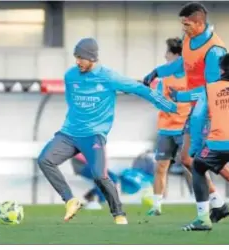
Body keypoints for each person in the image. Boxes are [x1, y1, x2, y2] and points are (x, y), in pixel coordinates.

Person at [37, 37, 177, 225]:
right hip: (69, 133)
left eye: (81, 58)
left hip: (94, 135)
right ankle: (70, 200)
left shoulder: (109, 77)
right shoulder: (70, 76)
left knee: (100, 176)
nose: (77, 61)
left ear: (92, 58)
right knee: (45, 160)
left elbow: (139, 89)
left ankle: (118, 214)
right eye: (75, 57)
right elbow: (72, 103)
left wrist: (168, 105)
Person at [143, 1, 229, 223]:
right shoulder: (188, 44)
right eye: (182, 25)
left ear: (198, 23)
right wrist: (156, 71)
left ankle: (209, 213)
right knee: (189, 160)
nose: (183, 29)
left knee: (201, 160)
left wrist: (183, 97)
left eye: (186, 25)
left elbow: (211, 89)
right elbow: (181, 68)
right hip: (189, 117)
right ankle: (217, 206)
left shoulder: (215, 50)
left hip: (211, 111)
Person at [182, 52, 229, 231]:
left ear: (220, 71)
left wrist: (195, 147)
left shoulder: (209, 88)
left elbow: (197, 118)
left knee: (197, 166)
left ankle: (203, 218)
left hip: (219, 144)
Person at [146, 37, 192, 216]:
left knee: (193, 166)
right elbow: (157, 100)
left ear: (177, 56)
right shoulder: (163, 77)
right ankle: (156, 206)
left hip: (185, 129)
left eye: (167, 53)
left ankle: (205, 202)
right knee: (160, 167)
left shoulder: (191, 77)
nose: (165, 56)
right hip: (166, 129)